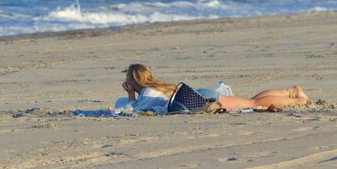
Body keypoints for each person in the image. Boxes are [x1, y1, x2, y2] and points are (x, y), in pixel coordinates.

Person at [117, 63, 309, 112]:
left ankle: (298, 99)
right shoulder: (157, 88)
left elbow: (133, 110)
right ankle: (291, 92)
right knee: (250, 101)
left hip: (199, 99)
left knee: (253, 103)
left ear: (134, 81)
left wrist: (130, 95)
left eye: (128, 79)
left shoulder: (149, 93)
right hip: (198, 96)